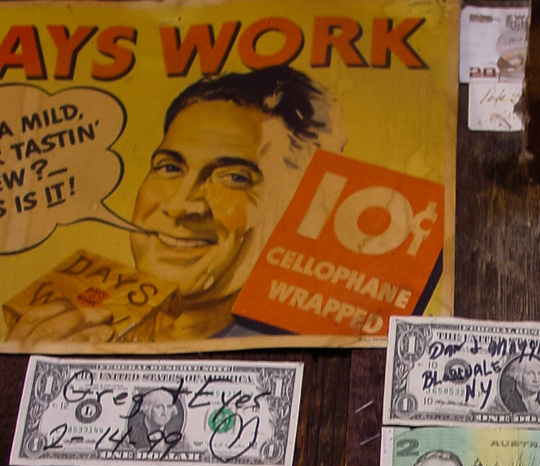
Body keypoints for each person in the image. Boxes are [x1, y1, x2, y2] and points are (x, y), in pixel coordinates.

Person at [8, 65, 344, 343]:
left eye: (235, 177)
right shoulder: (63, 319)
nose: (182, 205)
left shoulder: (308, 346)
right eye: (170, 167)